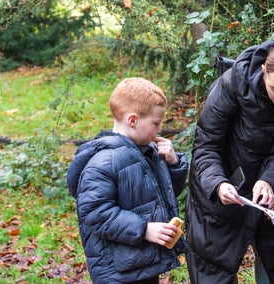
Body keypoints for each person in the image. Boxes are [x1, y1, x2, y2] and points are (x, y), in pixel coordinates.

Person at [185, 40, 274, 284]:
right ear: (264, 70)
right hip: (217, 193)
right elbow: (205, 145)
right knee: (213, 271)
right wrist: (218, 183)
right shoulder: (232, 84)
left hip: (268, 199)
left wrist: (269, 179)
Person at [66, 77, 189, 284]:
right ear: (132, 120)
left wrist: (173, 163)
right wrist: (144, 229)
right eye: (156, 124)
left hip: (142, 259)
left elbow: (164, 195)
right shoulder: (104, 161)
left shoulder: (146, 151)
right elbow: (94, 211)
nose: (159, 130)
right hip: (116, 269)